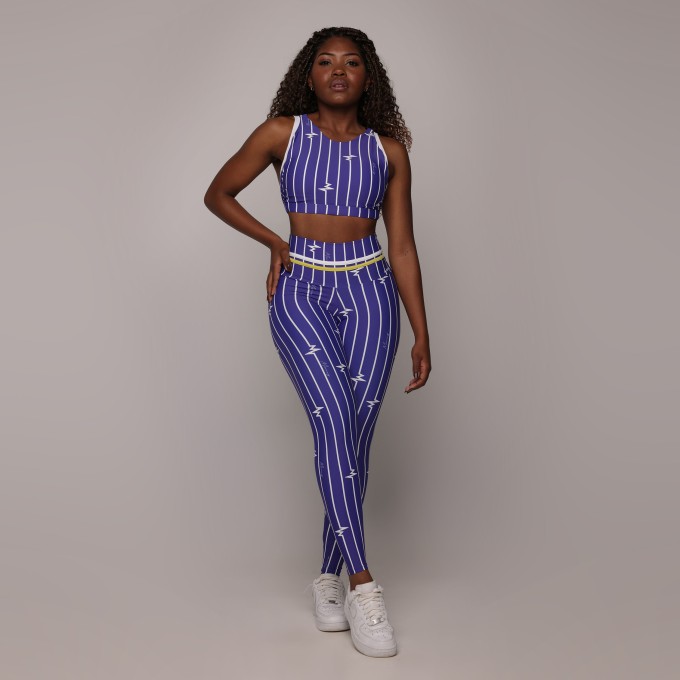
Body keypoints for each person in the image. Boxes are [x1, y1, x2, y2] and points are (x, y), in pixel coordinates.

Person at [203, 26, 431, 658]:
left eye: (351, 62)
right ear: (308, 74)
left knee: (354, 433)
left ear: (368, 77)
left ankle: (327, 577)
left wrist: (421, 329)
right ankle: (362, 586)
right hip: (301, 286)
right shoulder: (282, 133)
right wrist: (275, 242)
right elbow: (217, 193)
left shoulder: (389, 151)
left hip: (371, 292)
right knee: (332, 417)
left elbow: (403, 246)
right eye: (325, 61)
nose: (338, 70)